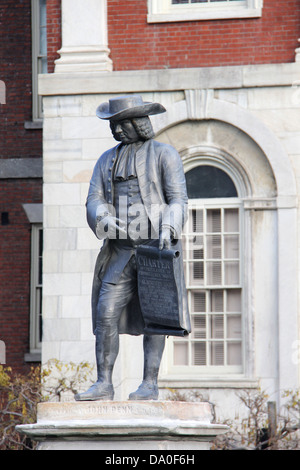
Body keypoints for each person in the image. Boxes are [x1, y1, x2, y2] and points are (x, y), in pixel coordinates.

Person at [75, 95, 190, 402]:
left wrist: (169, 227)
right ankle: (103, 383)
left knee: (157, 315)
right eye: (113, 125)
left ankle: (149, 383)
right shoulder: (105, 160)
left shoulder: (164, 154)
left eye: (122, 124)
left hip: (155, 247)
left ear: (138, 124)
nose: (117, 131)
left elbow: (178, 199)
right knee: (105, 312)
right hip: (121, 250)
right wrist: (103, 217)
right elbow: (93, 200)